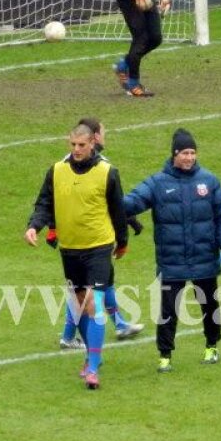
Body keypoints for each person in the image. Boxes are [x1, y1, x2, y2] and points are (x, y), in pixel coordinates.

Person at [124, 128, 221, 372]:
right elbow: (133, 202)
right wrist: (111, 197)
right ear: (174, 154)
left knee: (209, 306)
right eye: (184, 153)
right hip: (172, 260)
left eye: (192, 153)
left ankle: (212, 345)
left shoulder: (209, 181)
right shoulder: (157, 183)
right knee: (168, 310)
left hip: (204, 258)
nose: (189, 158)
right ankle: (165, 355)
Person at [26, 122, 129, 390]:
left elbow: (118, 210)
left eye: (82, 145)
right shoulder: (56, 171)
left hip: (99, 246)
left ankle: (93, 368)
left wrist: (122, 242)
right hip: (70, 248)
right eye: (73, 144)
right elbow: (44, 203)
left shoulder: (107, 172)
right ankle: (93, 355)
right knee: (81, 304)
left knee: (94, 304)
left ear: (93, 143)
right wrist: (34, 226)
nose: (77, 149)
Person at [56, 117, 145, 350]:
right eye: (103, 132)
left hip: (94, 238)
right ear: (95, 137)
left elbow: (111, 202)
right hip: (87, 240)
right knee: (86, 291)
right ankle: (71, 336)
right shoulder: (84, 166)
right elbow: (110, 204)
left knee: (101, 285)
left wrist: (130, 221)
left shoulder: (97, 164)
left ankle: (119, 324)